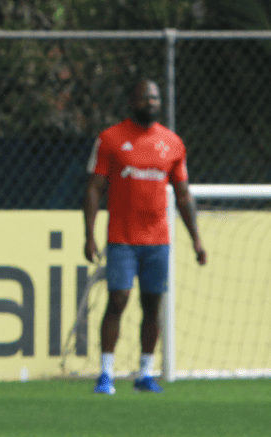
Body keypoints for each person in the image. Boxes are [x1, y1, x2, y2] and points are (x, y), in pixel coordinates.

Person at [84, 78, 207, 395]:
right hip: (122, 238)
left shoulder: (172, 143)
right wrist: (89, 234)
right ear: (132, 102)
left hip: (158, 241)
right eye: (144, 98)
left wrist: (196, 239)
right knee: (118, 299)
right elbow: (95, 188)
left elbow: (182, 194)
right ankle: (106, 373)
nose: (150, 103)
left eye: (154, 98)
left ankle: (144, 373)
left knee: (152, 305)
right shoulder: (111, 139)